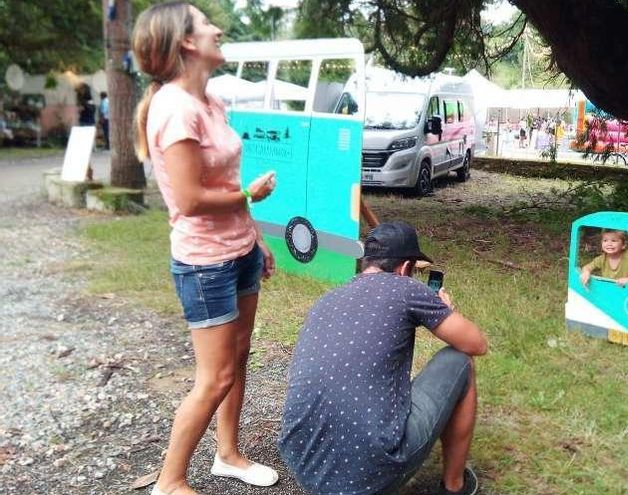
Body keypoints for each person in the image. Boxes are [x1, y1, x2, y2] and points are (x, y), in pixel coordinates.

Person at [132, 3, 280, 494]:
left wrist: (255, 237)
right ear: (186, 42)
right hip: (204, 263)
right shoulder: (174, 108)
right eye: (205, 24)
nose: (218, 29)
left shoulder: (211, 102)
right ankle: (169, 481)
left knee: (239, 357)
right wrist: (250, 197)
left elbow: (227, 181)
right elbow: (192, 199)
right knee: (214, 376)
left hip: (239, 251)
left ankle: (229, 455)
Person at [279, 221, 489, 495]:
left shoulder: (327, 299)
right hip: (371, 473)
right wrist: (442, 310)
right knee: (460, 362)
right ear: (405, 268)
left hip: (305, 466)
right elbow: (476, 344)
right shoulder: (407, 288)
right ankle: (455, 486)